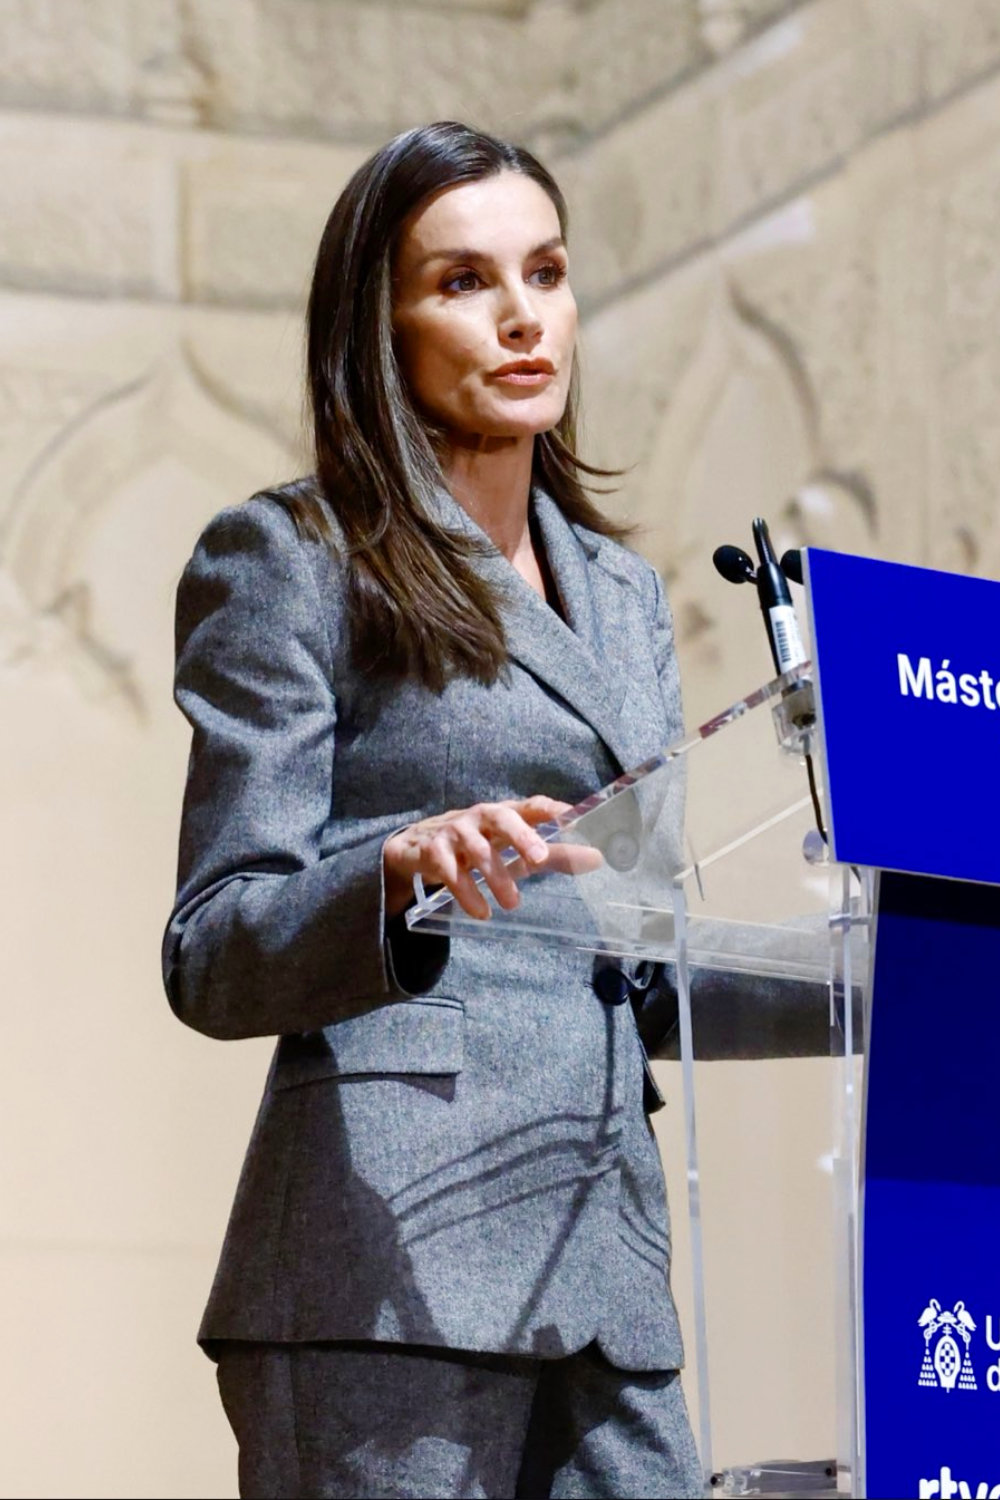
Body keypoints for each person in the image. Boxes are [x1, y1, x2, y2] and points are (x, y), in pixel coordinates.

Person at [162, 120, 702, 1500]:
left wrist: (894, 981)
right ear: (378, 324)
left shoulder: (626, 598)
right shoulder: (292, 556)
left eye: (548, 269)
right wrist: (397, 874)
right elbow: (215, 950)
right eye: (462, 282)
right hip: (384, 1261)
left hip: (606, 1252)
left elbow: (648, 962)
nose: (524, 315)